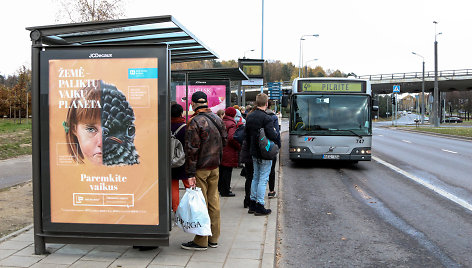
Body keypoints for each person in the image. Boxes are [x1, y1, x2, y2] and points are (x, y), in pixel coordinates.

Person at [181, 91, 228, 251]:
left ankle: (201, 240)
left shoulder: (195, 122)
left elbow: (191, 150)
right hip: (215, 167)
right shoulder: (217, 118)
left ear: (193, 104)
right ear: (206, 102)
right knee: (214, 201)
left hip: (200, 168)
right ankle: (214, 238)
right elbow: (225, 141)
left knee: (201, 204)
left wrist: (190, 173)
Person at [245, 93, 278, 216]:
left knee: (255, 177)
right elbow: (273, 136)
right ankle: (260, 205)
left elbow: (246, 135)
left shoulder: (250, 116)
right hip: (264, 152)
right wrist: (275, 133)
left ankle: (252, 204)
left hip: (254, 151)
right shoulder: (267, 118)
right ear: (266, 103)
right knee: (263, 179)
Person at [171, 103, 191, 212]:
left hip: (170, 161)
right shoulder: (185, 128)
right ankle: (192, 208)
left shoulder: (165, 126)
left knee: (173, 187)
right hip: (184, 160)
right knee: (189, 186)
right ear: (181, 113)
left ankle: (176, 210)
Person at [218, 107, 241, 197]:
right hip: (229, 150)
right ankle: (226, 191)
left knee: (222, 170)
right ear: (233, 114)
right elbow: (232, 138)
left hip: (221, 149)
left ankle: (220, 188)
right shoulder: (232, 124)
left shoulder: (221, 122)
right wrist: (238, 146)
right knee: (227, 171)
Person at [266, 100, 281, 198]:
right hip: (270, 146)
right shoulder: (273, 117)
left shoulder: (251, 115)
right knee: (271, 170)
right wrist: (278, 146)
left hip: (257, 147)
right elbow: (276, 134)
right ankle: (271, 191)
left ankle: (252, 198)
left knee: (257, 173)